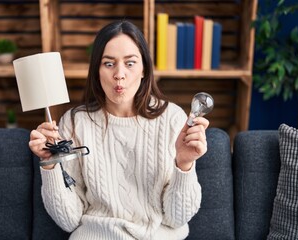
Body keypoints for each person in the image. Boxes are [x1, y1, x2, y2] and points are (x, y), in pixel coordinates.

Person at [29, 20, 209, 240]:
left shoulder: (173, 119)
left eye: (130, 63)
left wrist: (184, 164)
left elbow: (177, 217)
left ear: (144, 69)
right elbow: (69, 220)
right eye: (108, 63)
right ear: (97, 70)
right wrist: (49, 166)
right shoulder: (75, 123)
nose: (119, 74)